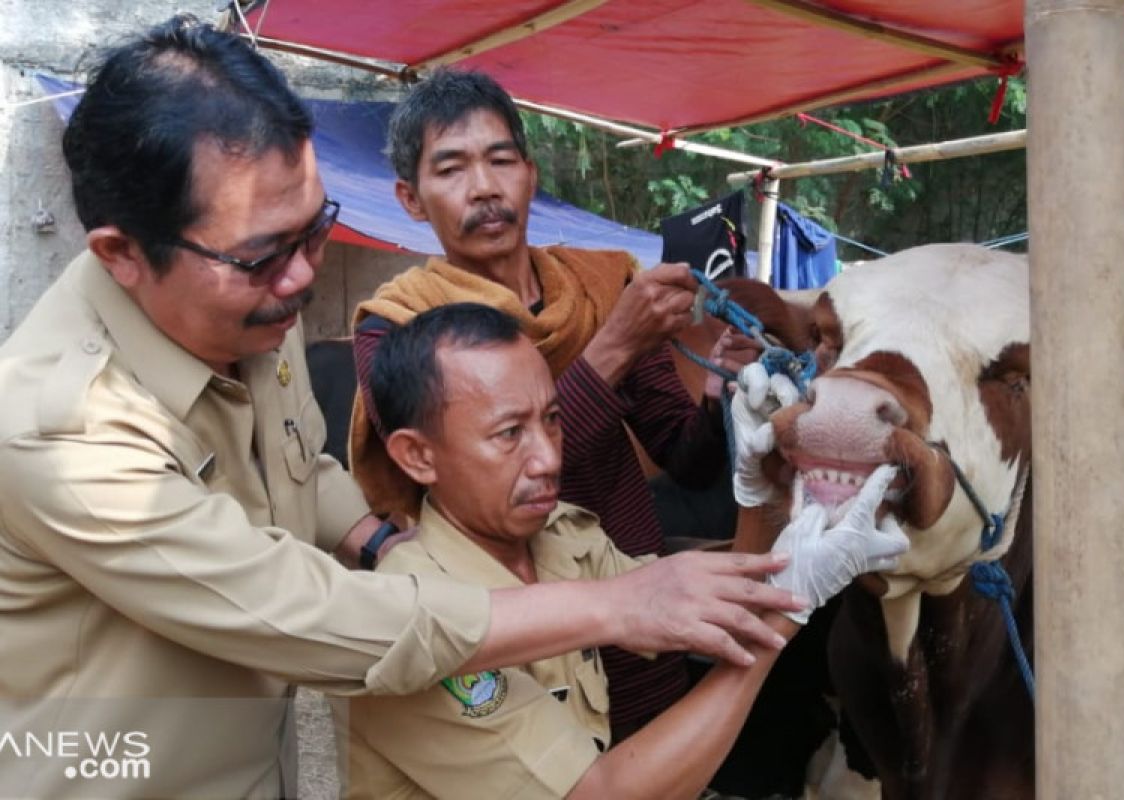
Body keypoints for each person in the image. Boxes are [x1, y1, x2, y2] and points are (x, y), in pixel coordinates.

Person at [0, 17, 807, 798]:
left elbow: (299, 465)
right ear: (123, 255)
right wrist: (616, 606)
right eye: (262, 255)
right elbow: (308, 618)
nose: (300, 279)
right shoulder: (62, 430)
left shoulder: (249, 311)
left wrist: (386, 540)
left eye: (313, 229)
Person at [345, 302, 908, 799]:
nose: (548, 459)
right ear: (418, 457)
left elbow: (717, 619)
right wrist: (788, 612)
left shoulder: (562, 537)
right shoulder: (412, 626)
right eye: (509, 434)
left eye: (553, 420)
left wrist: (761, 491)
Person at [349, 67, 762, 740]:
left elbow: (685, 462)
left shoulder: (599, 285)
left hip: (639, 605)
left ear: (530, 174)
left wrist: (717, 392)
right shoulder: (396, 329)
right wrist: (613, 346)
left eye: (500, 160)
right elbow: (481, 491)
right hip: (511, 633)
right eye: (450, 169)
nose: (484, 188)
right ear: (411, 198)